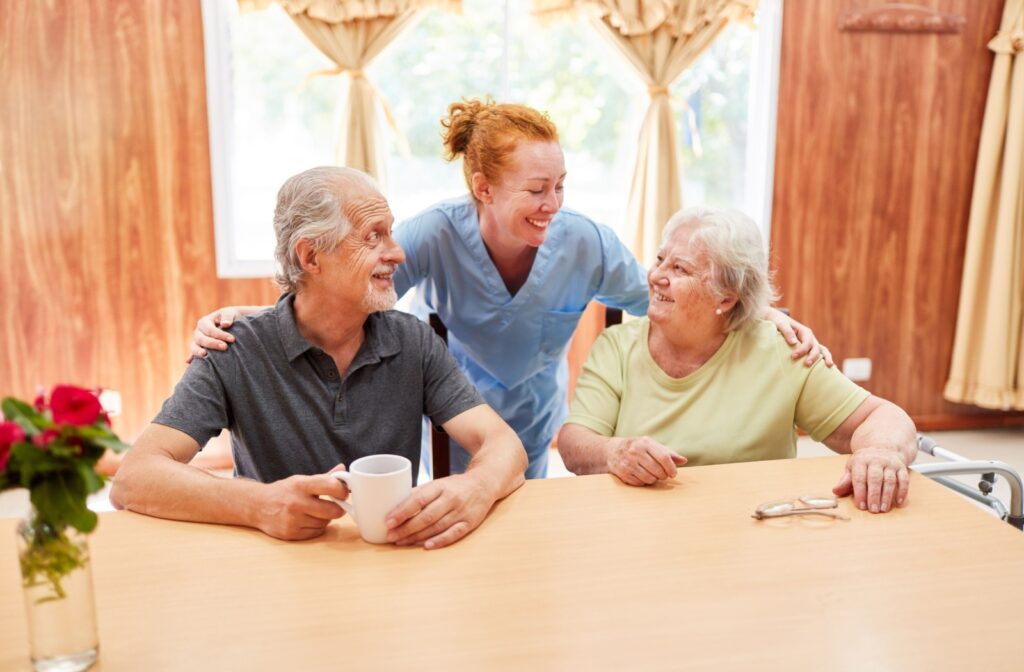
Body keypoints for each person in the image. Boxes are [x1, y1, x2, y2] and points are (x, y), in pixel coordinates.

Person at [189, 100, 829, 480]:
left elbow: (664, 297)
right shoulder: (436, 234)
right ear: (483, 187)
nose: (552, 205)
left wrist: (760, 314)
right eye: (535, 189)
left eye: (561, 185)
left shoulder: (585, 241)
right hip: (447, 413)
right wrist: (248, 318)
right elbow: (343, 288)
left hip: (536, 419)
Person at [110, 167, 527, 549]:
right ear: (310, 257)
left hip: (388, 562)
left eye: (391, 233)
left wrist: (477, 487)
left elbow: (503, 444)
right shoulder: (233, 349)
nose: (397, 254)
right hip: (274, 572)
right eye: (373, 236)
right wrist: (258, 504)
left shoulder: (412, 341)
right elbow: (134, 479)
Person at [557, 206, 917, 514]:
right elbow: (575, 443)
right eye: (659, 259)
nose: (655, 276)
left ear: (726, 298)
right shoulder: (617, 347)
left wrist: (881, 451)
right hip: (639, 528)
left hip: (751, 530)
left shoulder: (780, 350)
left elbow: (881, 417)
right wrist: (614, 452)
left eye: (679, 269)